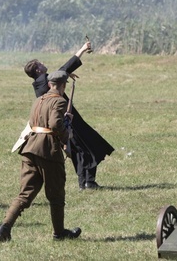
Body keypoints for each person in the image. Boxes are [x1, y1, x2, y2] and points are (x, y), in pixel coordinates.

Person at [0, 71, 82, 242]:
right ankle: (59, 233)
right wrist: (67, 134)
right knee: (56, 195)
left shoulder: (38, 100)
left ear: (50, 85)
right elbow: (55, 124)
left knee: (25, 194)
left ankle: (4, 228)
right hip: (48, 151)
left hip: (30, 148)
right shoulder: (59, 100)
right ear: (63, 85)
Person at [23, 41, 114, 190]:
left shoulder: (43, 82)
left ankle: (85, 183)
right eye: (40, 64)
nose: (43, 64)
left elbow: (61, 72)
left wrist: (64, 74)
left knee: (79, 151)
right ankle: (88, 182)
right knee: (89, 147)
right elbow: (63, 68)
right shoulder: (42, 83)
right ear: (38, 71)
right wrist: (83, 49)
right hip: (67, 122)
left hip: (68, 121)